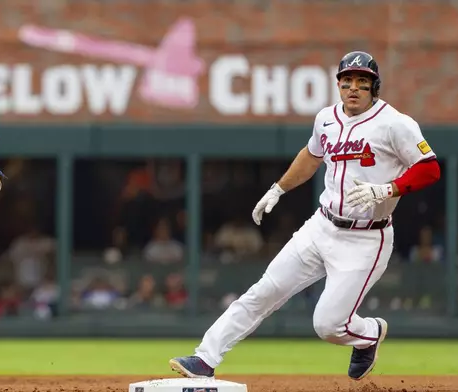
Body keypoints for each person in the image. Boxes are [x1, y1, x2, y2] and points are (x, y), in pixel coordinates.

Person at [169, 51, 441, 381]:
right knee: (263, 291)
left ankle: (368, 334)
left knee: (327, 325)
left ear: (374, 87)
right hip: (322, 226)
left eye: (362, 82)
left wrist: (388, 190)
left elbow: (430, 169)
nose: (353, 88)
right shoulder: (326, 118)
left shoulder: (395, 124)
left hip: (367, 236)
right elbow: (311, 157)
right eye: (347, 81)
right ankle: (205, 359)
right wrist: (278, 189)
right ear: (339, 85)